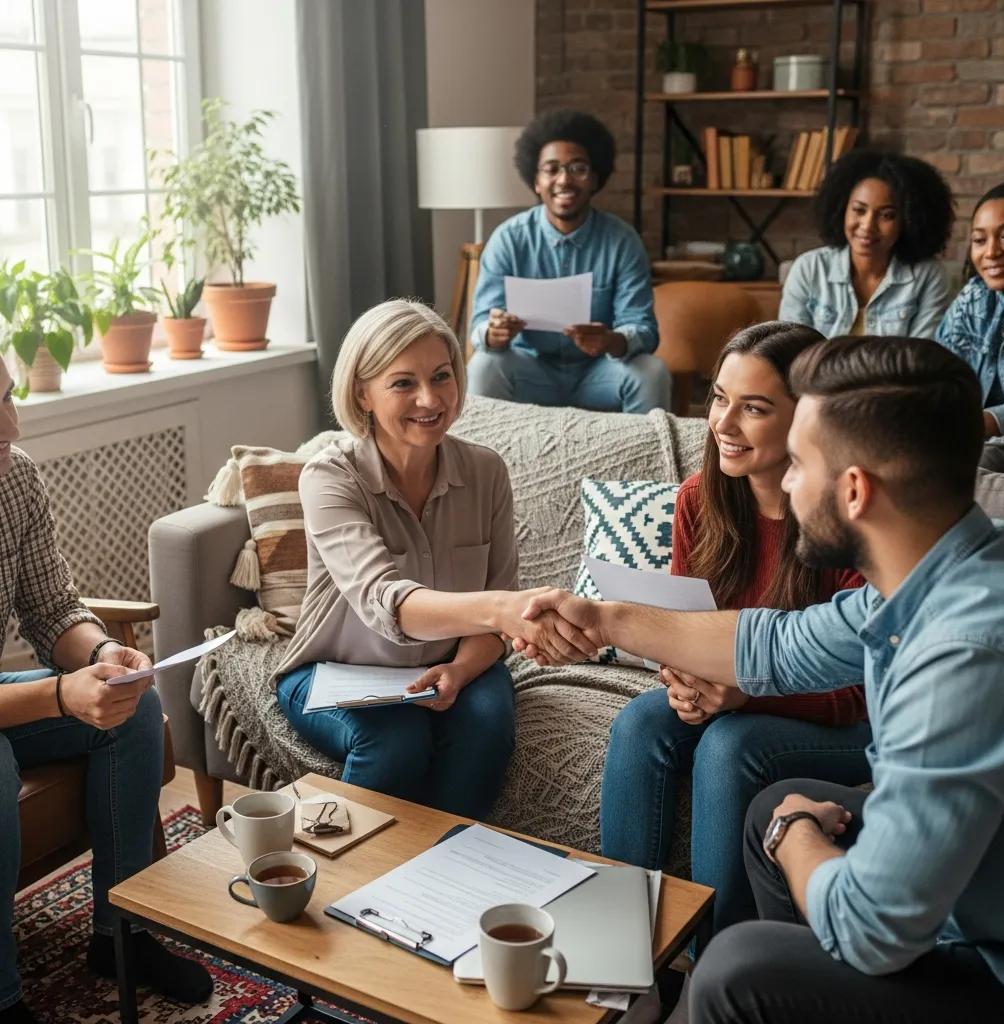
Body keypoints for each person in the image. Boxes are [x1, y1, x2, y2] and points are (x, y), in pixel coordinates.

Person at [514, 336, 1004, 1023]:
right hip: (977, 902)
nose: (785, 482)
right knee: (764, 810)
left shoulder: (963, 658)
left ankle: (712, 990)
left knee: (735, 964)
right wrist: (603, 618)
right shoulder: (948, 567)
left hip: (999, 966)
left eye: (800, 464)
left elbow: (868, 930)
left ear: (853, 491)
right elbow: (775, 643)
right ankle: (630, 966)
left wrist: (797, 835)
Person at [273, 299, 596, 821]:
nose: (429, 398)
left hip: (453, 657)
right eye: (402, 383)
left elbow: (495, 620)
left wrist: (462, 669)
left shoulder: (487, 472)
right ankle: (347, 882)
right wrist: (499, 609)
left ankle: (444, 871)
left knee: (488, 722)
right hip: (335, 671)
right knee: (396, 740)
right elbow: (387, 603)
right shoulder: (329, 478)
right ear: (363, 392)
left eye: (441, 376)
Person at [600, 322, 869, 933]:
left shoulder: (848, 518)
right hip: (735, 694)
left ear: (807, 417)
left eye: (753, 407)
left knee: (731, 743)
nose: (723, 422)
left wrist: (746, 692)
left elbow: (862, 687)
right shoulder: (701, 498)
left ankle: (712, 964)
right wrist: (683, 679)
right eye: (720, 398)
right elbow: (680, 622)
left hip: (848, 718)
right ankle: (617, 944)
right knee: (641, 719)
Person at [0, 359, 212, 1024]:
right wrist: (62, 697)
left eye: (6, 395)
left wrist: (99, 653)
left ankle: (121, 933)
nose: (11, 424)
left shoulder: (13, 475)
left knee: (135, 706)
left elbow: (52, 606)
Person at [466, 109, 671, 413]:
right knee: (484, 365)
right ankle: (484, 462)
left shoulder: (623, 242)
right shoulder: (508, 239)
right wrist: (494, 333)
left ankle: (647, 461)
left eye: (578, 168)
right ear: (536, 181)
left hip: (599, 372)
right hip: (530, 370)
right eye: (551, 169)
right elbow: (479, 325)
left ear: (594, 180)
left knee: (652, 372)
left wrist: (611, 340)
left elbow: (643, 328)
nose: (564, 179)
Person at [780, 149, 954, 338]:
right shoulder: (809, 269)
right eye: (859, 210)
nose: (868, 226)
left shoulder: (927, 275)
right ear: (841, 209)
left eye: (886, 215)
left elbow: (923, 356)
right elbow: (791, 351)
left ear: (909, 219)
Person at [936, 179, 1004, 474]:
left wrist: (973, 423)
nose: (991, 251)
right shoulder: (976, 297)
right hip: (981, 434)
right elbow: (940, 369)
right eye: (979, 239)